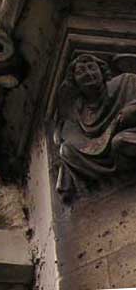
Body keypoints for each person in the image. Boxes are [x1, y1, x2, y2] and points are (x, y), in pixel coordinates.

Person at [56, 54, 136, 197]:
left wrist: (131, 109)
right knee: (67, 150)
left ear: (102, 71)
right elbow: (68, 134)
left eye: (92, 68)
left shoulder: (126, 81)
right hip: (98, 149)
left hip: (129, 133)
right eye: (80, 72)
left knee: (120, 142)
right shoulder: (78, 109)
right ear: (74, 82)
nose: (88, 73)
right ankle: (96, 186)